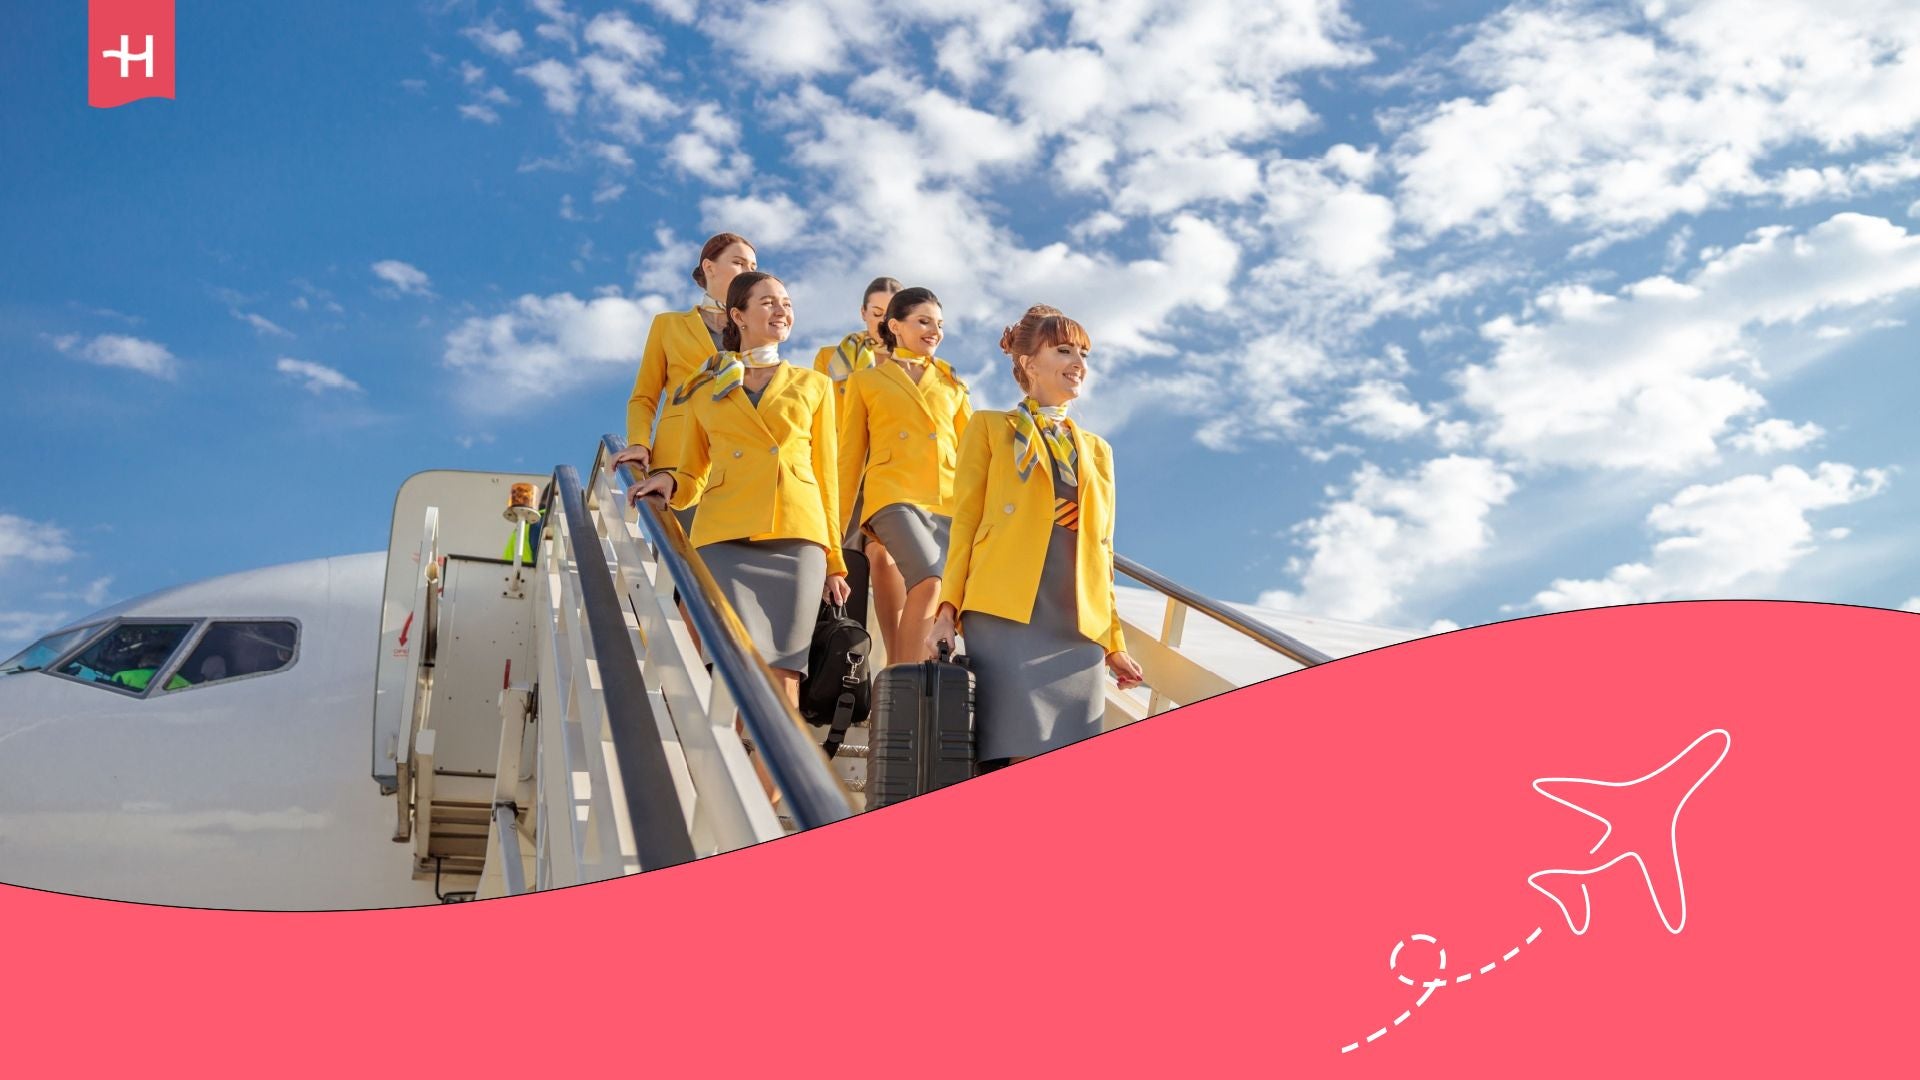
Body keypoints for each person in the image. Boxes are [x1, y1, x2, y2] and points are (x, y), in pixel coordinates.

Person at [628, 271, 852, 724]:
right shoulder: (702, 386)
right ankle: (711, 770)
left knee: (784, 672)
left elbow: (828, 478)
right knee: (715, 658)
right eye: (768, 302)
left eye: (787, 302)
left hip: (796, 533)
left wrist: (834, 559)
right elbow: (692, 470)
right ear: (738, 315)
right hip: (724, 533)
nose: (782, 310)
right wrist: (671, 483)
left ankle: (765, 793)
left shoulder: (815, 385)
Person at [928, 305, 1144, 770]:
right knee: (1021, 747)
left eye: (1083, 353)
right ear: (1029, 363)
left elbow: (1102, 550)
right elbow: (964, 523)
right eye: (1064, 350)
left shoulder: (1098, 451)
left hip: (1077, 621)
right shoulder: (988, 428)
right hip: (1007, 610)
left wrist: (1114, 641)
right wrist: (946, 612)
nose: (1078, 362)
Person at [837, 287, 972, 664]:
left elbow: (972, 458)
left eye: (940, 324)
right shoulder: (866, 381)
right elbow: (849, 459)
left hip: (947, 501)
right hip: (892, 498)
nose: (935, 331)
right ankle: (904, 683)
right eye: (924, 321)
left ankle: (897, 688)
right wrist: (832, 534)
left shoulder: (953, 385)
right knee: (930, 578)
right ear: (894, 325)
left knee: (937, 589)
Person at [612, 231, 757, 534]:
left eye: (753, 267)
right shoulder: (669, 325)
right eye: (739, 263)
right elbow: (644, 396)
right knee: (680, 561)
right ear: (709, 267)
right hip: (677, 460)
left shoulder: (755, 333)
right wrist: (639, 442)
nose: (748, 272)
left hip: (737, 462)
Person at [814, 276, 902, 628]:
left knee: (887, 560)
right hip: (844, 472)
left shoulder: (911, 366)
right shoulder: (829, 359)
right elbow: (814, 419)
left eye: (890, 313)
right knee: (843, 559)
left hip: (890, 473)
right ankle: (842, 649)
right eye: (875, 311)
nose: (881, 322)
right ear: (863, 312)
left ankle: (898, 660)